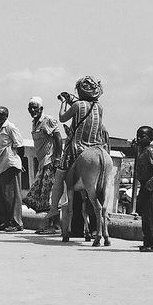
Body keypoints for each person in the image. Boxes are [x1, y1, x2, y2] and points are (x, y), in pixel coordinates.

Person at [45, 76, 107, 222]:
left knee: (59, 176)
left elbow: (62, 118)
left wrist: (63, 103)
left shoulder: (77, 106)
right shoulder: (100, 107)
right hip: (96, 146)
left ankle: (54, 208)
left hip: (77, 148)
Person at [22, 97, 63, 234]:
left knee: (51, 193)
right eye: (30, 108)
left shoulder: (48, 120)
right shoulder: (35, 123)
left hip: (50, 161)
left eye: (35, 108)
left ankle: (55, 225)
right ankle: (50, 224)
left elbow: (58, 138)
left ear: (41, 109)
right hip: (42, 162)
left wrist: (57, 157)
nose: (32, 110)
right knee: (42, 195)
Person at [0, 106, 24, 232]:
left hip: (10, 164)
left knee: (13, 196)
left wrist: (19, 162)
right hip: (1, 165)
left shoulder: (10, 127)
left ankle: (16, 223)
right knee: (4, 196)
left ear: (6, 116)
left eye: (0, 115)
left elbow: (20, 145)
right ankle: (6, 221)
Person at [135, 126, 153, 252]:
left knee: (150, 215)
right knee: (145, 214)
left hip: (149, 186)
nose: (139, 138)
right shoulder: (141, 150)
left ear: (151, 139)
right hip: (144, 185)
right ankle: (147, 242)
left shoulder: (149, 151)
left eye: (143, 136)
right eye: (138, 136)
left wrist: (149, 185)